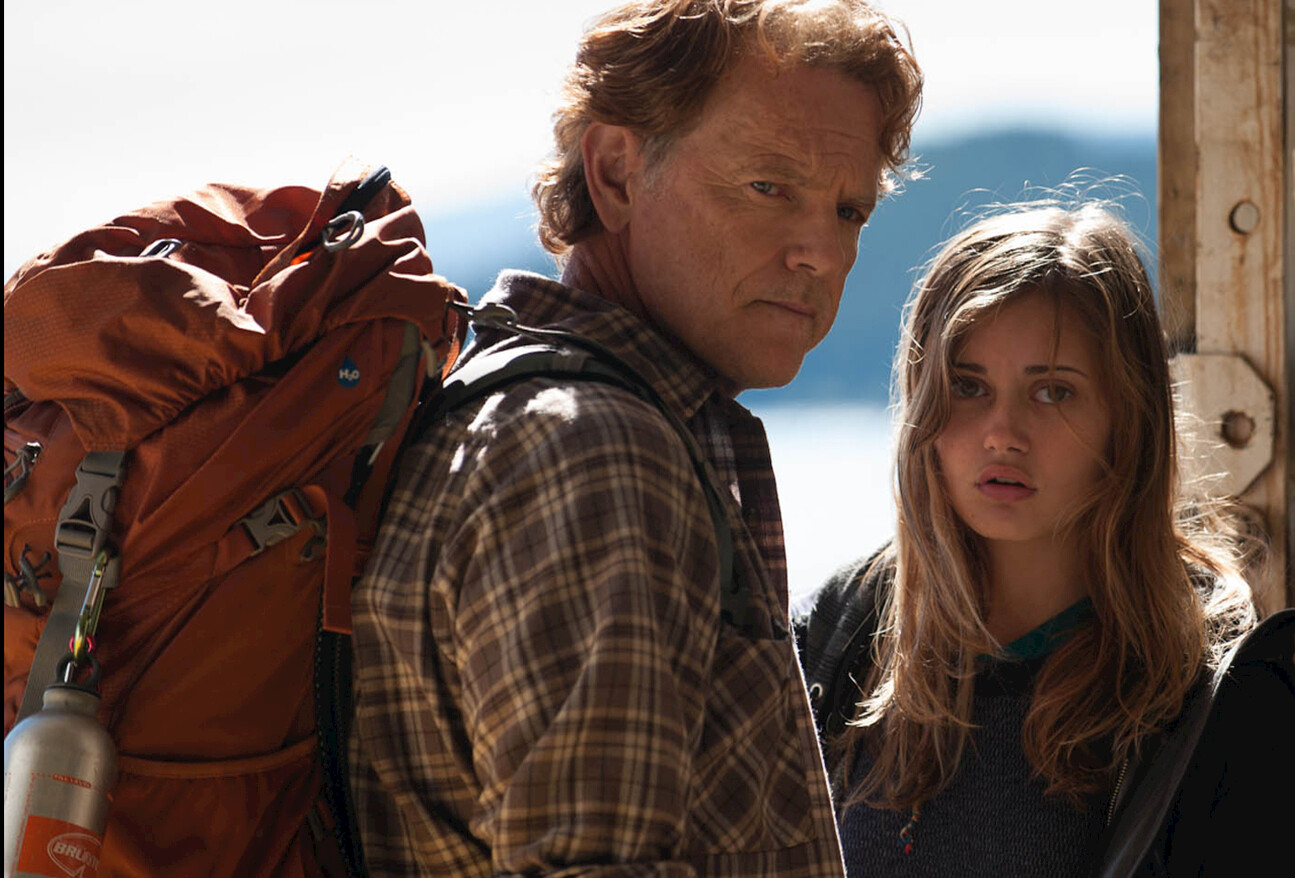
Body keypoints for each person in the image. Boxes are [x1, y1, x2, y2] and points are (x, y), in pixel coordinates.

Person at [348, 2, 922, 875]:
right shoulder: (595, 452)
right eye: (768, 188)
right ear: (616, 173)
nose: (821, 252)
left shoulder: (520, 401)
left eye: (849, 211)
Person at [796, 204, 1295, 877]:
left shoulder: (1229, 703)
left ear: (1127, 421)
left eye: (1052, 392)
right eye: (967, 386)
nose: (1002, 433)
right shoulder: (836, 640)